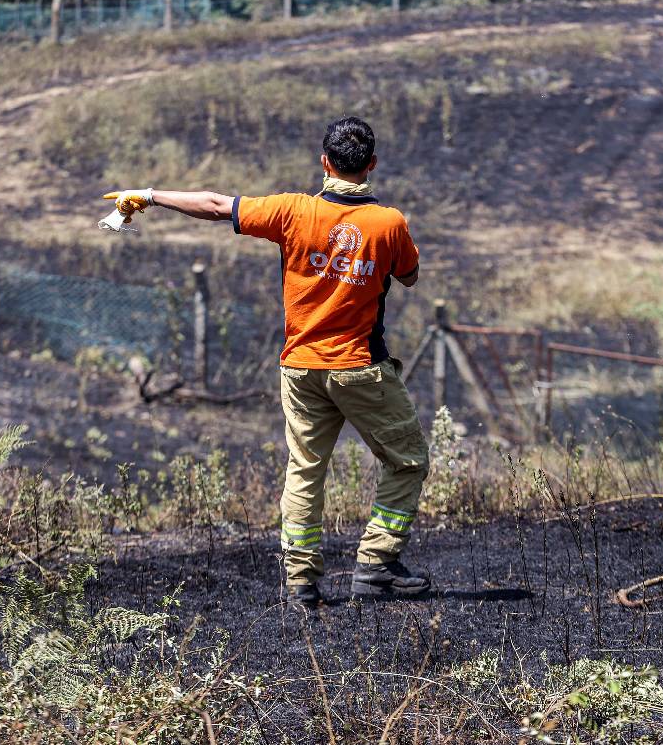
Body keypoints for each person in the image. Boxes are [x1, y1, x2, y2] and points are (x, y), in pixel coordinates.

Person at [104, 116, 431, 608]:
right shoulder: (389, 223)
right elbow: (409, 275)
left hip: (300, 368)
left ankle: (301, 583)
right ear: (371, 166)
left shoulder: (290, 212)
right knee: (407, 461)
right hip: (360, 367)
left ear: (324, 162)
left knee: (305, 469)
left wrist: (147, 195)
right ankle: (377, 565)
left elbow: (216, 205)